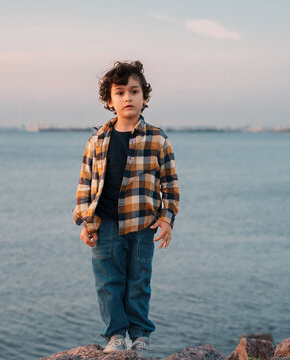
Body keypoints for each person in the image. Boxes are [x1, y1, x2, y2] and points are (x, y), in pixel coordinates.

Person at [72, 60, 180, 357]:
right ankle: (116, 334)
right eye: (120, 92)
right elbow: (85, 184)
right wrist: (85, 222)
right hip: (104, 223)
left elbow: (169, 184)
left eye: (134, 91)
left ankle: (141, 335)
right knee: (108, 282)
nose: (128, 98)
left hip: (143, 225)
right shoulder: (97, 140)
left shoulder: (157, 139)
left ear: (144, 97)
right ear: (109, 100)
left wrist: (167, 220)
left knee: (139, 282)